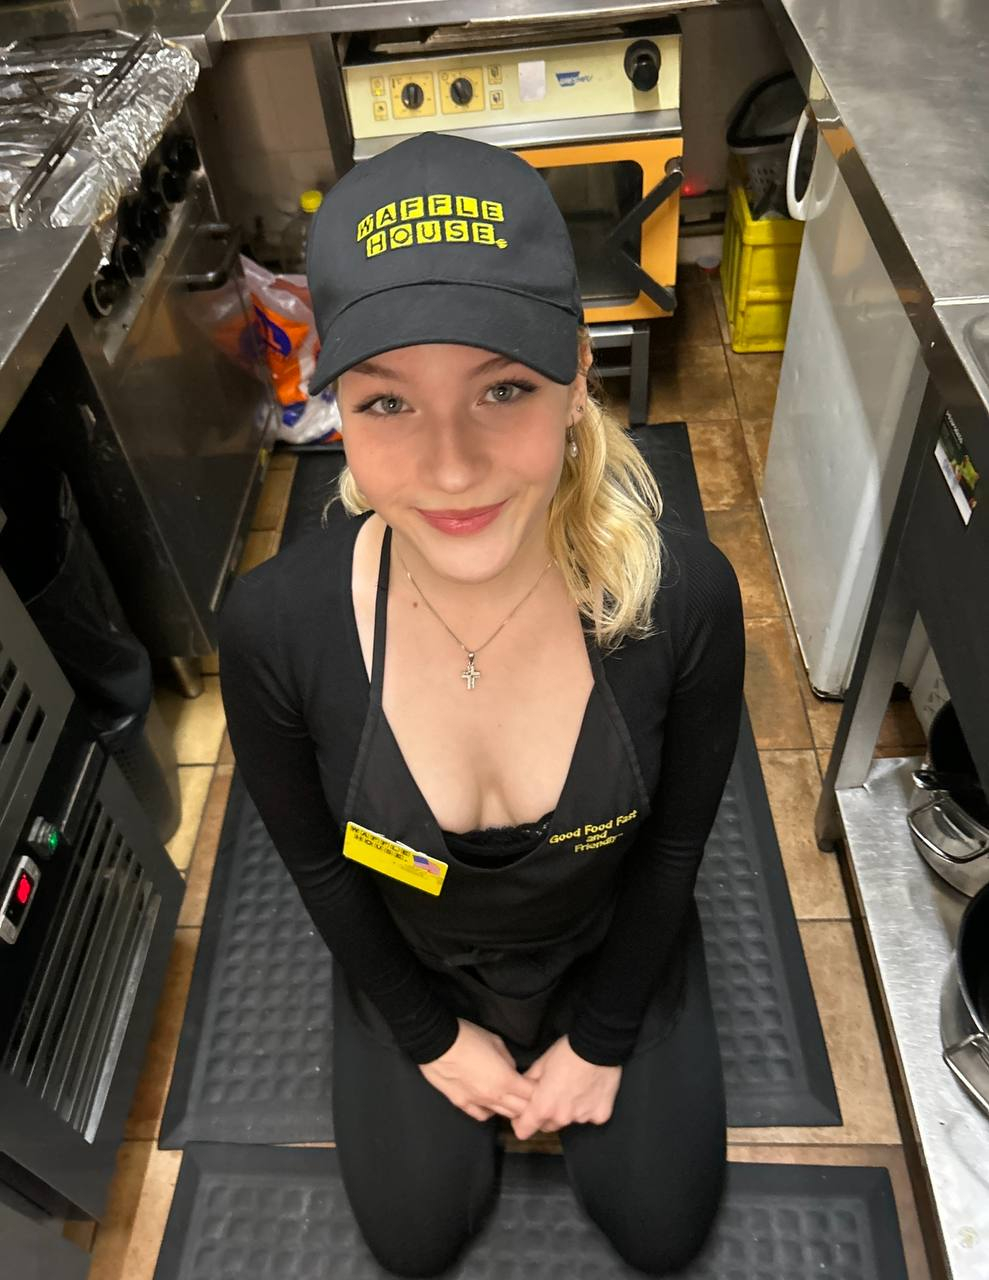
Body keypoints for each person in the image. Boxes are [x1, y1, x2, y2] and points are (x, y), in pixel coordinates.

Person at [219, 131, 745, 1277]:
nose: (451, 468)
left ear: (574, 375)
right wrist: (426, 1033)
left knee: (661, 1229)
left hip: (609, 937)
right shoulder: (274, 629)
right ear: (338, 409)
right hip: (418, 954)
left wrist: (602, 1035)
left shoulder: (683, 601)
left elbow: (672, 850)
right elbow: (320, 869)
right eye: (388, 402)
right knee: (414, 1240)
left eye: (501, 388)